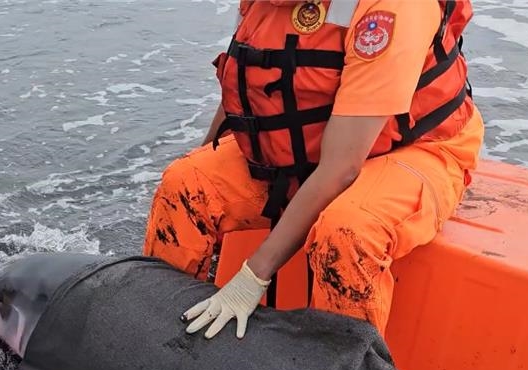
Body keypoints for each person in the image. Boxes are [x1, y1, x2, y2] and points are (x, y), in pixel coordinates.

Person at [143, 0, 483, 339]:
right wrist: (202, 157)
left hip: (413, 146)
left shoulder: (394, 7)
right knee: (185, 184)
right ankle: (154, 337)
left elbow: (341, 167)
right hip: (311, 140)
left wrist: (252, 277)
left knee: (347, 234)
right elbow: (243, 81)